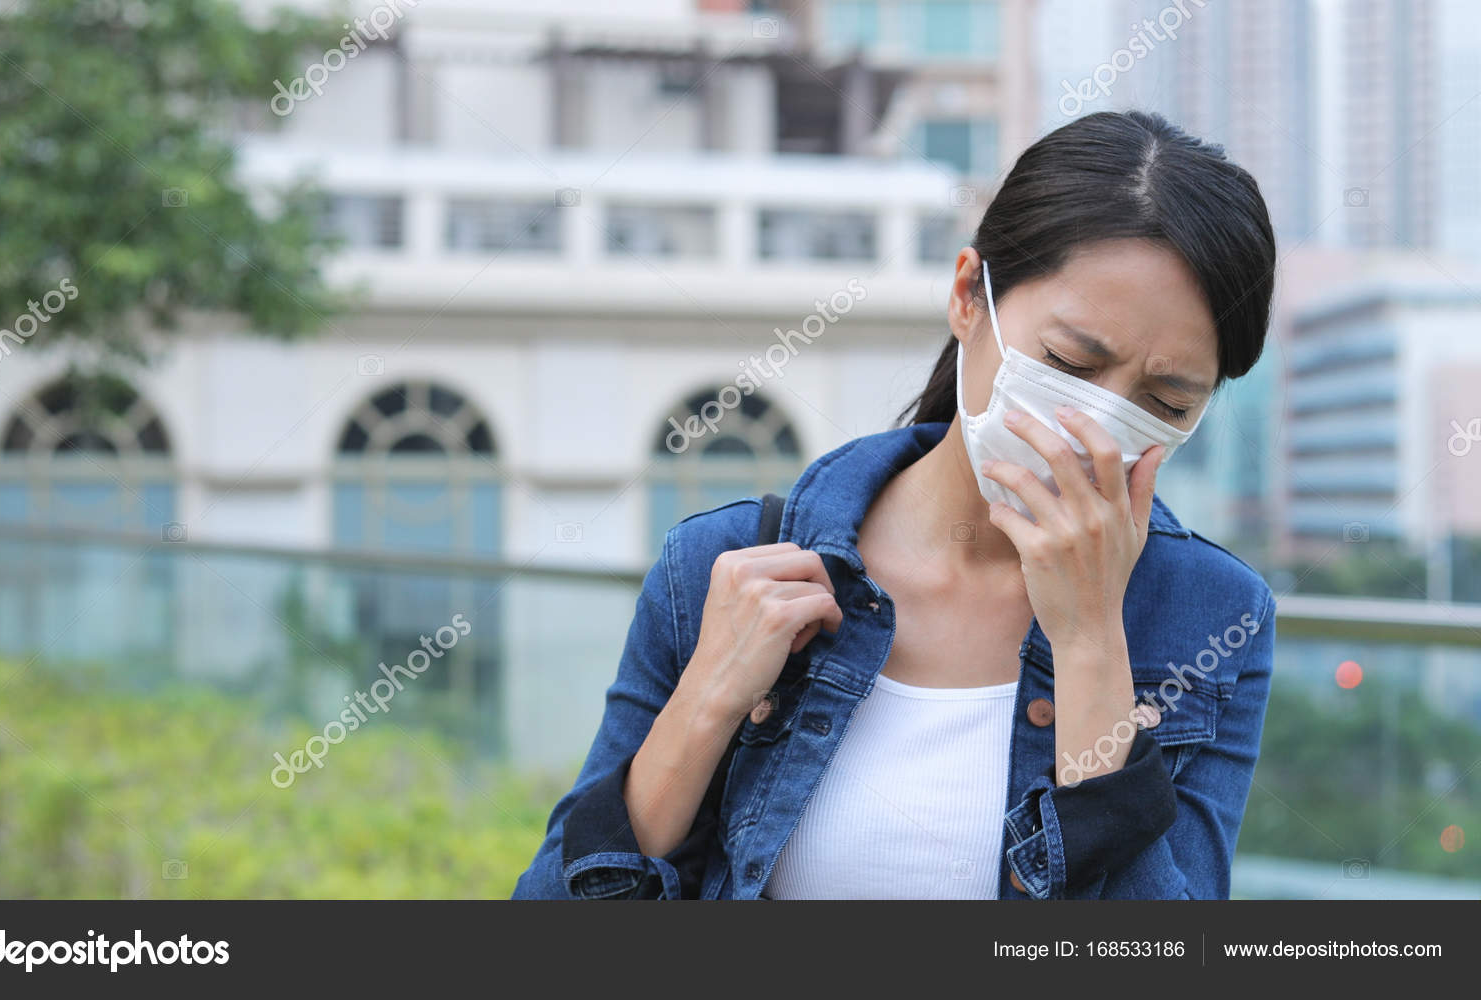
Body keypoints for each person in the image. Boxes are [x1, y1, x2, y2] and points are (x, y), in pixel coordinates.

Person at [513, 109, 1277, 900]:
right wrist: (706, 704)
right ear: (968, 297)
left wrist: (1090, 645)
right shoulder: (724, 566)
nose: (1096, 429)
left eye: (1165, 401)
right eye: (1069, 362)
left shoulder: (1214, 616)